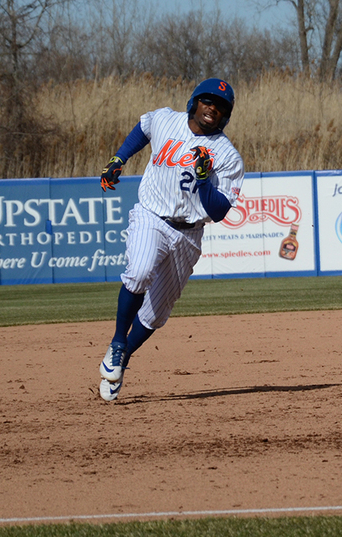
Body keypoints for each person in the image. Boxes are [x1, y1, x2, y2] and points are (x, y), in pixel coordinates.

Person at [97, 78, 245, 401]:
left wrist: (205, 180)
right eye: (208, 101)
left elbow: (219, 211)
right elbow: (143, 128)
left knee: (155, 314)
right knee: (138, 272)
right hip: (151, 216)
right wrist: (120, 159)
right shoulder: (167, 119)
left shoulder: (228, 156)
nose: (212, 109)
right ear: (195, 101)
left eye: (220, 107)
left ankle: (121, 357)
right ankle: (119, 341)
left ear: (226, 116)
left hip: (188, 235)